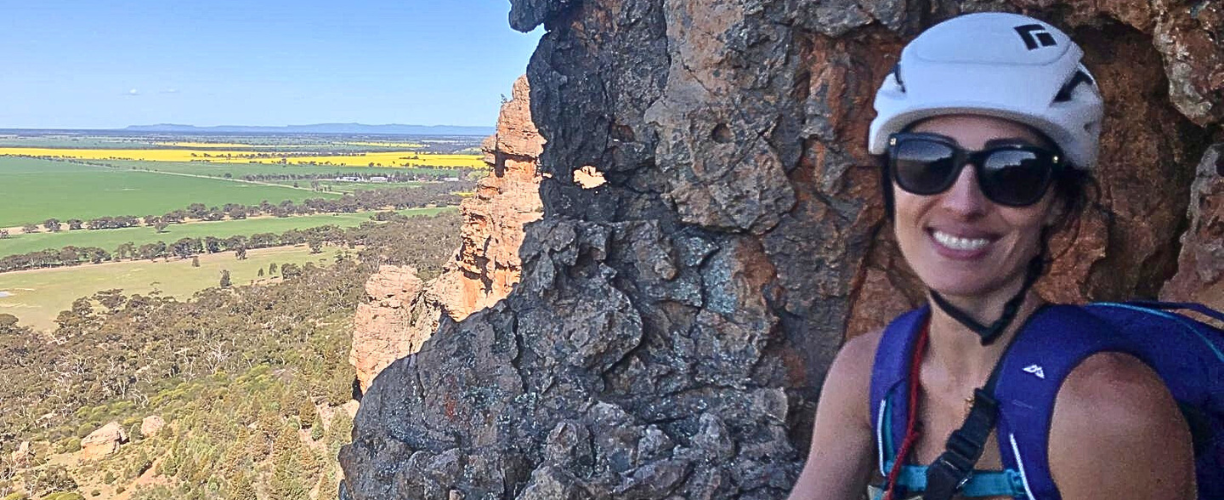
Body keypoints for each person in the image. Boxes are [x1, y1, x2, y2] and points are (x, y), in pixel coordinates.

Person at [787, 12, 1197, 500]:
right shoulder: (867, 375)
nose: (964, 204)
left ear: (1057, 204)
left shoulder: (1105, 409)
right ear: (892, 185)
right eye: (927, 161)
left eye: (1014, 172)